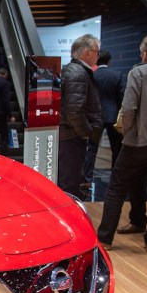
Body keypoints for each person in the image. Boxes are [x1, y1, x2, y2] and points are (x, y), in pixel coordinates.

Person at [97, 34, 147, 253]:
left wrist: (128, 132)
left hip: (138, 141)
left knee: (116, 188)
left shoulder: (139, 72)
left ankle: (105, 238)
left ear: (144, 54)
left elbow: (130, 107)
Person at [58, 34, 102, 198]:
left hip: (69, 135)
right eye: (97, 51)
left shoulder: (72, 70)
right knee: (70, 184)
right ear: (87, 52)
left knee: (68, 181)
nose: (98, 55)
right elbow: (74, 110)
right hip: (72, 136)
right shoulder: (78, 73)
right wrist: (85, 131)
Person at [82, 49, 123, 185]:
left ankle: (87, 178)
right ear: (109, 61)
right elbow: (121, 97)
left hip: (96, 116)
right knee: (116, 149)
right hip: (113, 117)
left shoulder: (92, 75)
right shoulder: (117, 75)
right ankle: (116, 177)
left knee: (92, 149)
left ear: (97, 59)